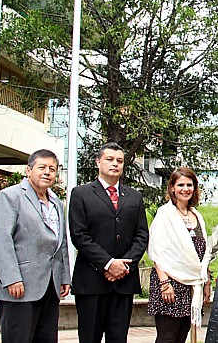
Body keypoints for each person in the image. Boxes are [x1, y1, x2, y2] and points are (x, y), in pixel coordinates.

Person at [69, 142, 149, 343]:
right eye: (110, 159)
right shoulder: (81, 194)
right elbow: (79, 235)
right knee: (90, 338)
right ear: (98, 162)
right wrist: (108, 264)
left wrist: (123, 266)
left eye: (119, 161)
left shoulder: (134, 196)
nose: (115, 164)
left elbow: (141, 235)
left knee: (118, 338)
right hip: (91, 281)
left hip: (124, 281)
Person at [0, 149, 71, 343]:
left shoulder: (56, 203)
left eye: (52, 169)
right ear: (28, 170)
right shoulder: (10, 196)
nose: (47, 172)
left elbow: (62, 243)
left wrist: (64, 277)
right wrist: (11, 278)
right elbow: (0, 239)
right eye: (41, 167)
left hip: (50, 286)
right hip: (20, 286)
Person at [147, 167, 211, 343]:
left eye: (189, 185)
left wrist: (206, 281)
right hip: (169, 283)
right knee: (167, 337)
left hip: (192, 284)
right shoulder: (164, 214)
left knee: (182, 337)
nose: (185, 189)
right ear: (172, 188)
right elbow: (156, 251)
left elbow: (203, 254)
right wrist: (164, 283)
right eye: (181, 184)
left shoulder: (197, 215)